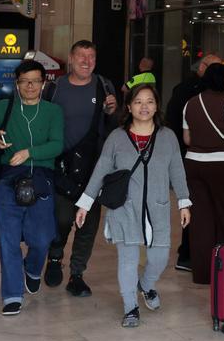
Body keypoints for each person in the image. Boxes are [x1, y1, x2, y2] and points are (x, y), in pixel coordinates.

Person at [75, 84, 191, 328]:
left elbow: (177, 171)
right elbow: (101, 171)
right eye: (138, 101)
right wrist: (85, 204)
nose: (144, 106)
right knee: (127, 260)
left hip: (157, 207)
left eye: (149, 101)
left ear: (157, 105)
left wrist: (183, 202)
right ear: (129, 106)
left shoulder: (167, 136)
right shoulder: (117, 137)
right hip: (124, 208)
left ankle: (146, 285)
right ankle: (130, 307)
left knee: (159, 257)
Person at [0, 59, 64, 316]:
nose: (30, 86)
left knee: (42, 237)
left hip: (41, 180)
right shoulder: (5, 106)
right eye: (24, 81)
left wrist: (29, 153)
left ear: (43, 83)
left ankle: (33, 268)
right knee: (8, 239)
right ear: (17, 83)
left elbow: (57, 145)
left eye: (35, 81)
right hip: (8, 180)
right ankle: (12, 294)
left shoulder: (52, 111)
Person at [43, 40, 119, 297]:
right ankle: (55, 257)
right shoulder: (55, 88)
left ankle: (77, 274)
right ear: (71, 59)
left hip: (94, 168)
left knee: (88, 224)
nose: (87, 62)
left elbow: (115, 126)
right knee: (62, 218)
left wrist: (114, 111)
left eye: (92, 56)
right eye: (81, 56)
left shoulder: (104, 86)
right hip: (62, 167)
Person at [181, 62, 224, 286]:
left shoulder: (190, 103)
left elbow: (187, 140)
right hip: (222, 166)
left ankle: (203, 273)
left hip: (193, 165)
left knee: (201, 220)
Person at [166, 53, 220, 272]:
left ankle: (190, 251)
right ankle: (187, 253)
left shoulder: (209, 92)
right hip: (190, 157)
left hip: (199, 157)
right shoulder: (188, 91)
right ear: (203, 68)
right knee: (193, 205)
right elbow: (176, 123)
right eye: (216, 69)